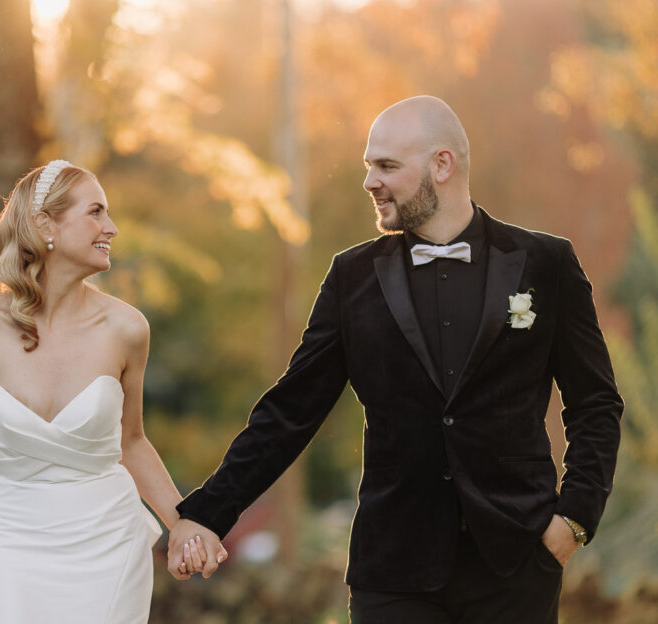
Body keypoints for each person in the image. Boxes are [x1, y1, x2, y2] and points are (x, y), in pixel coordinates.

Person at [167, 96, 622, 623]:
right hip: (393, 572)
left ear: (442, 165)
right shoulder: (351, 278)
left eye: (386, 166)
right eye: (368, 167)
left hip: (516, 564)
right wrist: (206, 513)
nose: (369, 182)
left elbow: (595, 404)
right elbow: (290, 412)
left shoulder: (547, 264)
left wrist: (574, 519)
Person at [0, 160, 224, 624]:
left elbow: (132, 442)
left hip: (108, 546)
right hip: (10, 546)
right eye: (96, 212)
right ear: (45, 224)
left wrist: (184, 526)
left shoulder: (127, 328)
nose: (111, 228)